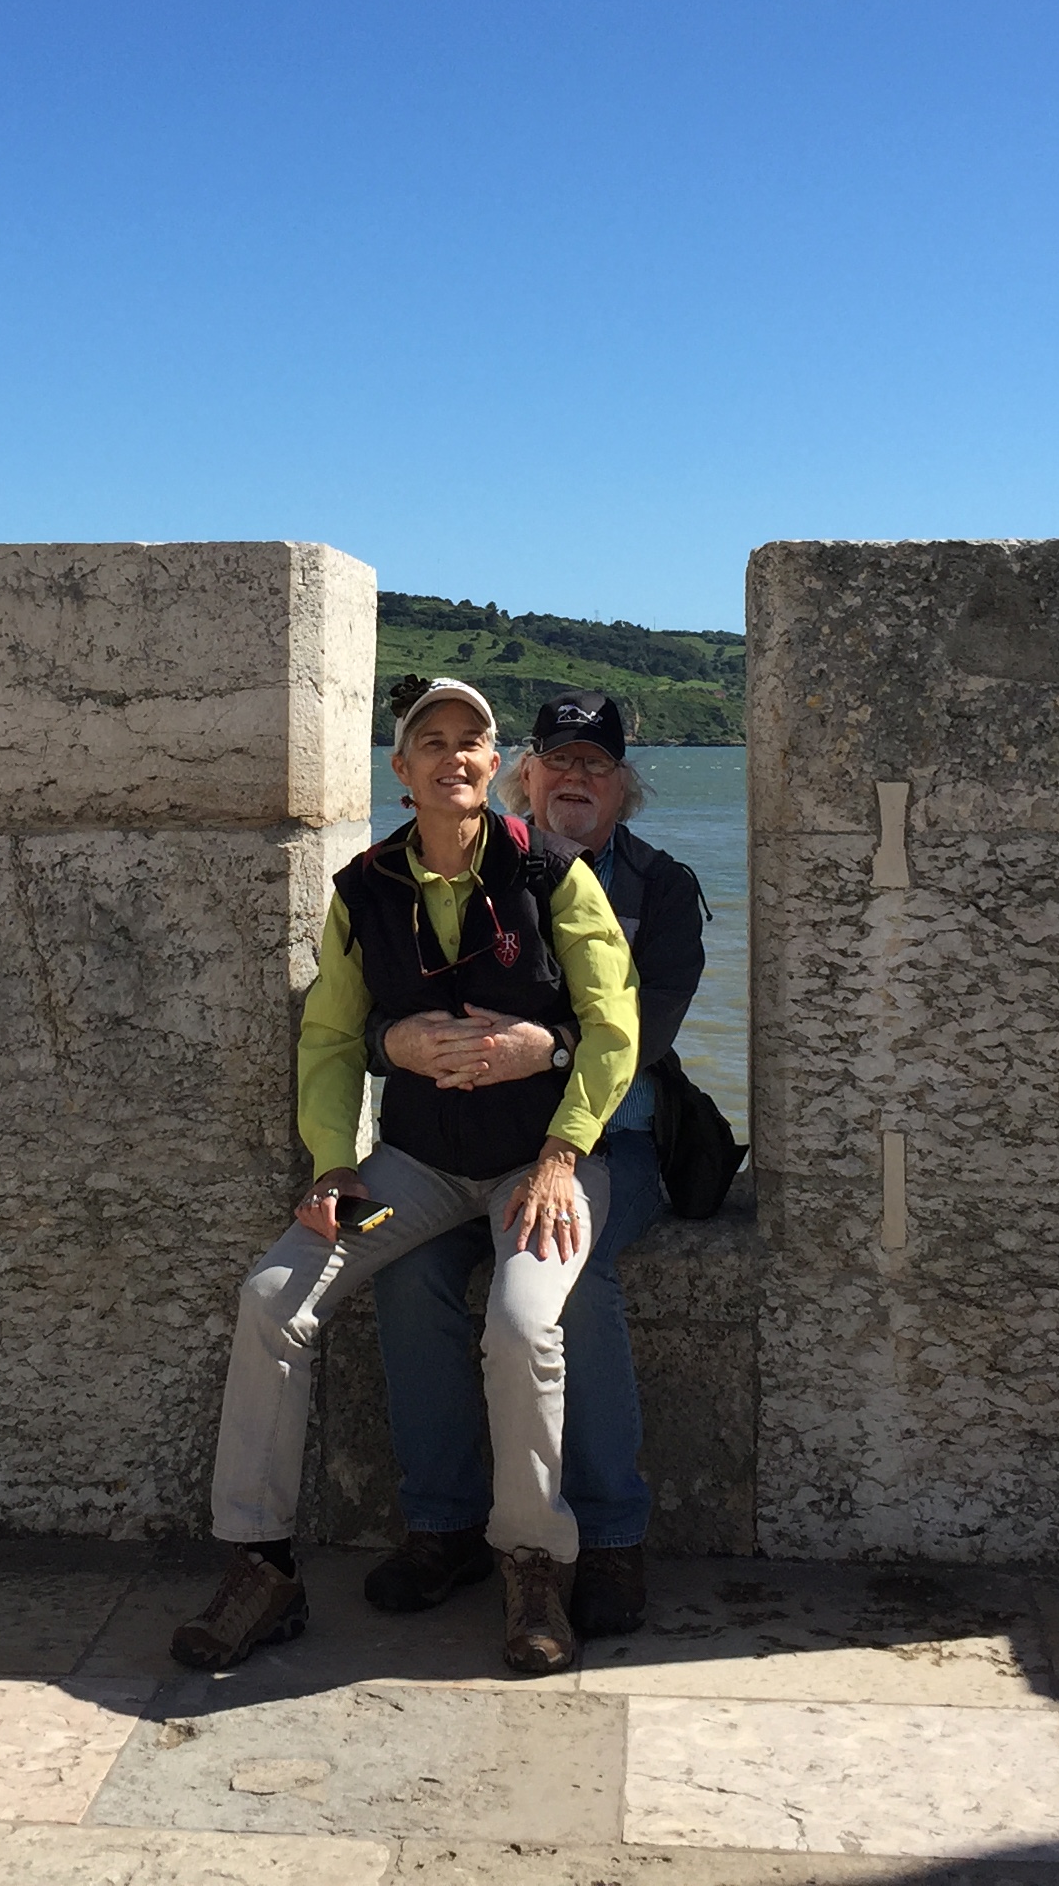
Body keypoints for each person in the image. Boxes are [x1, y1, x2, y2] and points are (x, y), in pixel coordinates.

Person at [172, 675, 640, 1678]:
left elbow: (614, 1025)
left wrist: (563, 1151)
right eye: (433, 740)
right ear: (402, 770)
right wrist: (334, 1163)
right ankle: (260, 1562)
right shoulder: (363, 890)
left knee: (523, 1321)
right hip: (412, 1172)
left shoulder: (553, 874)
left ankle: (532, 1564)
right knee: (272, 1298)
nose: (453, 755)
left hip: (538, 1169)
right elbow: (333, 1037)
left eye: (472, 740)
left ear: (494, 766)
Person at [357, 690, 705, 1640]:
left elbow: (641, 1038)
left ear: (624, 786)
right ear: (527, 775)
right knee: (409, 1273)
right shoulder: (471, 868)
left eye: (597, 764)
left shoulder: (663, 891)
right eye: (559, 760)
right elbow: (385, 1003)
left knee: (574, 1280)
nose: (576, 778)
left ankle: (612, 1533)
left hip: (610, 1146)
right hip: (465, 1149)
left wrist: (543, 1055)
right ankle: (443, 1524)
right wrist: (403, 1045)